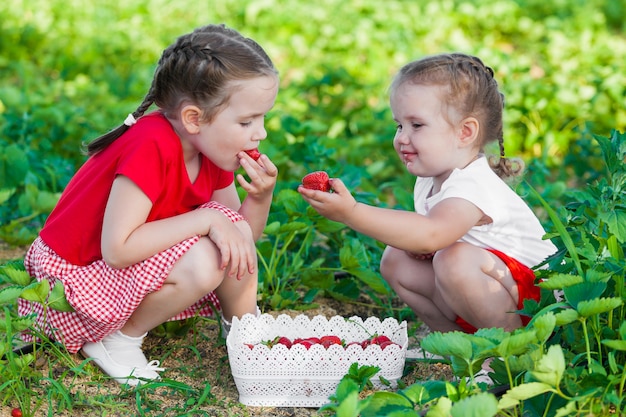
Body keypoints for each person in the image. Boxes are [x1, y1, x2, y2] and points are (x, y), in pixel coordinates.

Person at [18, 24, 279, 385]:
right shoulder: (151, 144)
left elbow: (242, 239)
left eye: (263, 118)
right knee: (208, 251)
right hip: (72, 282)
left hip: (118, 268)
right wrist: (206, 219)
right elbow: (117, 250)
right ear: (193, 118)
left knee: (226, 232)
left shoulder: (211, 150)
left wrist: (259, 197)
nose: (261, 132)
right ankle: (118, 340)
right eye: (247, 121)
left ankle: (245, 334)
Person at [298, 53, 557, 334]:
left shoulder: (474, 185)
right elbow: (430, 240)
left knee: (454, 259)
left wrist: (351, 213)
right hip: (498, 291)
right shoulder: (430, 179)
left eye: (417, 125)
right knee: (397, 258)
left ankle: (511, 351)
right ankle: (457, 344)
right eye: (399, 125)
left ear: (465, 132)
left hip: (541, 303)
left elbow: (431, 234)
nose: (401, 137)